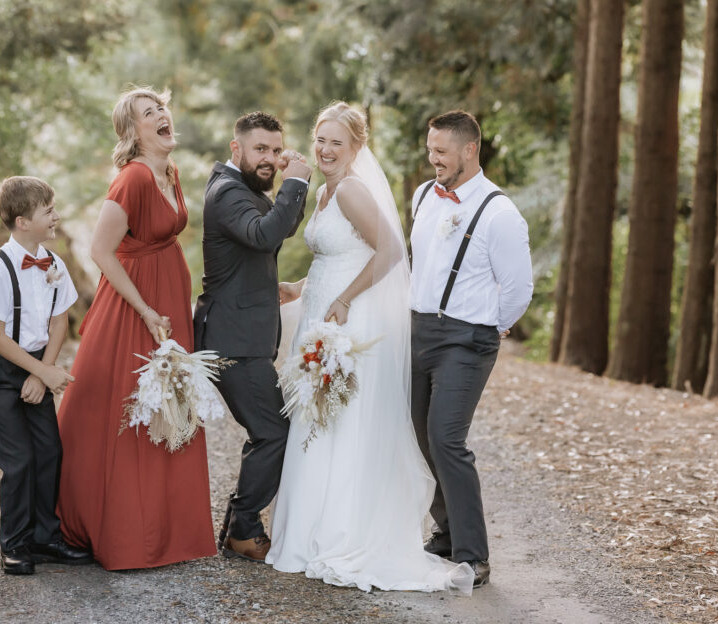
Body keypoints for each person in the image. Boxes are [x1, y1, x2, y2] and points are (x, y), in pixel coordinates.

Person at [266, 102, 473, 593]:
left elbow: (390, 253)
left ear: (357, 147)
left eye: (337, 141)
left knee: (342, 423)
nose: (325, 150)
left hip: (348, 321)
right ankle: (308, 532)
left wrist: (343, 298)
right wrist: (300, 286)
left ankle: (340, 533)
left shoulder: (353, 190)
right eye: (320, 139)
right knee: (319, 420)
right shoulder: (325, 191)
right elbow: (340, 255)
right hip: (322, 313)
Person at [55, 87, 216, 569]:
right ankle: (123, 532)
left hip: (168, 298)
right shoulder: (132, 179)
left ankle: (167, 531)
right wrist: (146, 309)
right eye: (150, 113)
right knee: (124, 411)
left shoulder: (172, 172)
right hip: (133, 306)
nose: (163, 116)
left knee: (170, 405)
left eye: (162, 108)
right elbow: (101, 251)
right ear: (133, 131)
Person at [410, 110, 534, 587]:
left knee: (446, 438)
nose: (433, 159)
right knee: (419, 435)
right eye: (430, 150)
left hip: (467, 339)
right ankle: (444, 532)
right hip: (418, 330)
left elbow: (518, 288)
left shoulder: (500, 212)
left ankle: (473, 555)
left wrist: (490, 327)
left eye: (441, 152)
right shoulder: (423, 195)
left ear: (469, 150)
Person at [193, 111, 311, 562]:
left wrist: (291, 188)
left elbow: (280, 228)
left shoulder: (245, 191)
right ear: (235, 148)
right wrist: (295, 183)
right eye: (260, 149)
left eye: (276, 151)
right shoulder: (226, 193)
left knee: (268, 430)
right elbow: (264, 236)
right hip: (232, 341)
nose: (270, 158)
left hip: (242, 336)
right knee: (273, 432)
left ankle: (237, 526)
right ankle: (242, 529)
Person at [0, 175, 92, 575]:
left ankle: (45, 538)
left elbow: (60, 321)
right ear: (23, 221)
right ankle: (16, 544)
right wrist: (38, 370)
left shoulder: (54, 262)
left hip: (36, 365)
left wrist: (43, 373)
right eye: (48, 211)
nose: (56, 216)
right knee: (18, 460)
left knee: (49, 452)